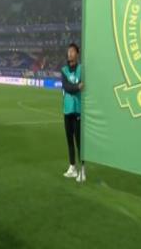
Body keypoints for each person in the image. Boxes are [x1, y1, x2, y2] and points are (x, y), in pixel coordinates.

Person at [61, 42, 85, 183]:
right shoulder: (64, 70)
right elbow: (67, 87)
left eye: (72, 51)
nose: (69, 53)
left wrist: (76, 87)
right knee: (69, 140)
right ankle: (72, 167)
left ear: (77, 53)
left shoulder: (82, 69)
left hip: (78, 110)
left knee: (79, 142)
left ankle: (83, 170)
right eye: (68, 51)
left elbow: (84, 86)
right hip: (67, 110)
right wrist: (77, 87)